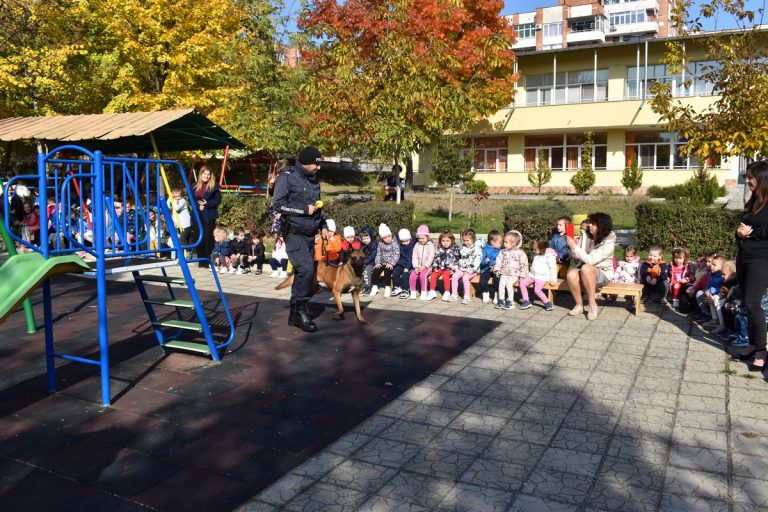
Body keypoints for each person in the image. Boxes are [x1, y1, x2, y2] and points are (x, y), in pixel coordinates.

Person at [272, 146, 324, 332]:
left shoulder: (314, 180)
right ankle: (301, 311)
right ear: (305, 163)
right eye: (315, 164)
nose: (318, 168)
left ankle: (295, 314)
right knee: (307, 269)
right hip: (294, 233)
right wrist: (303, 210)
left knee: (303, 274)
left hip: (310, 234)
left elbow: (318, 206)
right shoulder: (286, 178)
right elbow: (277, 205)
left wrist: (323, 226)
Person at [736, 161, 768, 371]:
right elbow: (742, 227)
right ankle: (751, 343)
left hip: (761, 260)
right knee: (746, 303)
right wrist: (739, 233)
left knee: (753, 302)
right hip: (744, 257)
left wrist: (751, 233)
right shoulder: (753, 201)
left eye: (750, 177)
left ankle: (761, 351)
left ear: (763, 178)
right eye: (746, 177)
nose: (747, 181)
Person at [566, 212, 616, 320]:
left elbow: (591, 260)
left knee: (586, 268)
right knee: (571, 274)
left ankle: (592, 305)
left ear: (601, 226)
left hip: (603, 274)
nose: (589, 226)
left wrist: (574, 246)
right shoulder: (587, 235)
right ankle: (579, 305)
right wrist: (572, 246)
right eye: (590, 223)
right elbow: (576, 255)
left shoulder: (609, 242)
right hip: (586, 270)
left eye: (593, 224)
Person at [193, 166, 222, 268]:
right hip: (197, 215)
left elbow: (217, 200)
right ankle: (201, 261)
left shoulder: (214, 186)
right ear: (200, 174)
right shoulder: (194, 186)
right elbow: (191, 200)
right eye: (204, 174)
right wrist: (198, 206)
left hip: (209, 216)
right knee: (199, 237)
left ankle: (208, 261)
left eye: (208, 174)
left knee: (208, 238)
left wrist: (207, 203)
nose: (206, 176)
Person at [493, 230, 529, 310]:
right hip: (504, 272)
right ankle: (501, 300)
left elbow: (524, 264)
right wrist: (497, 269)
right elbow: (498, 260)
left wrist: (522, 275)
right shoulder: (503, 252)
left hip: (514, 274)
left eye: (506, 242)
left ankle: (510, 301)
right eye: (504, 241)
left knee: (509, 284)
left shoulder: (520, 252)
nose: (504, 243)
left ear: (514, 244)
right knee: (501, 284)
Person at [519, 239, 557, 311]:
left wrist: (553, 279)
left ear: (542, 249)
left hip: (542, 277)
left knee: (537, 290)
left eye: (535, 250)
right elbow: (534, 266)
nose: (534, 251)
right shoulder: (537, 255)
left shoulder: (549, 256)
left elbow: (553, 268)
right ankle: (526, 300)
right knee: (522, 283)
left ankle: (547, 302)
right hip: (532, 275)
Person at [450, 228, 482, 304]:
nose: (465, 242)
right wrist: (455, 268)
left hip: (473, 270)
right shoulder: (464, 248)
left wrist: (468, 271)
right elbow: (461, 260)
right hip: (463, 268)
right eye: (464, 240)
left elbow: (477, 263)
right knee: (454, 276)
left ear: (473, 240)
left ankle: (467, 296)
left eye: (467, 240)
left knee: (465, 278)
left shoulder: (477, 249)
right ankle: (454, 294)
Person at [429, 230, 460, 301]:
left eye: (447, 241)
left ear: (451, 241)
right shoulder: (440, 248)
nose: (445, 243)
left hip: (450, 268)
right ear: (440, 241)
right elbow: (436, 258)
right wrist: (435, 266)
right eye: (443, 241)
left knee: (446, 276)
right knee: (434, 274)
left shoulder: (455, 248)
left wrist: (454, 269)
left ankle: (447, 291)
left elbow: (457, 260)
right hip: (441, 267)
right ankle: (432, 291)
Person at [371, 223, 400, 297]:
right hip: (382, 262)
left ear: (391, 235)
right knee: (375, 270)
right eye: (385, 237)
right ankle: (375, 286)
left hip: (391, 263)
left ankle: (387, 287)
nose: (387, 238)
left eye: (389, 236)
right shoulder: (380, 243)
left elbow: (396, 254)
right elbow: (378, 254)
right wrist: (377, 262)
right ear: (382, 238)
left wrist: (391, 263)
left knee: (387, 271)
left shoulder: (394, 243)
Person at [409, 224, 435, 300]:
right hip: (418, 266)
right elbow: (414, 256)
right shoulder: (416, 245)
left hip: (428, 267)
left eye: (423, 238)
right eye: (419, 238)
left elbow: (431, 257)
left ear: (428, 237)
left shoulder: (431, 245)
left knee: (422, 275)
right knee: (412, 276)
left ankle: (424, 292)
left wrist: (424, 266)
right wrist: (416, 266)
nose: (421, 240)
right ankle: (413, 292)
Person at [477, 230, 502, 304]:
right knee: (482, 281)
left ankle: (496, 294)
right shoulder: (485, 249)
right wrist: (485, 261)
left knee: (498, 279)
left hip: (496, 268)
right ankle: (485, 292)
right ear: (493, 242)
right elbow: (480, 262)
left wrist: (495, 265)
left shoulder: (500, 250)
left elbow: (501, 260)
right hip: (486, 268)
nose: (502, 243)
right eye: (500, 242)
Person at [393, 229, 415, 298]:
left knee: (405, 274)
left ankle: (406, 290)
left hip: (410, 265)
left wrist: (407, 267)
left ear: (410, 239)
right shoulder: (401, 246)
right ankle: (397, 287)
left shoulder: (412, 246)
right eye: (403, 241)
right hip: (402, 263)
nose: (405, 243)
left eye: (406, 241)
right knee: (395, 272)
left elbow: (411, 258)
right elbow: (400, 256)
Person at [360, 226, 377, 293]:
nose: (365, 240)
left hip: (372, 263)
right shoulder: (363, 246)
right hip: (365, 263)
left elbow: (372, 256)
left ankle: (368, 287)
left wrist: (364, 262)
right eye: (363, 239)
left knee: (367, 272)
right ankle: (361, 286)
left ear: (371, 237)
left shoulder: (373, 245)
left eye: (367, 238)